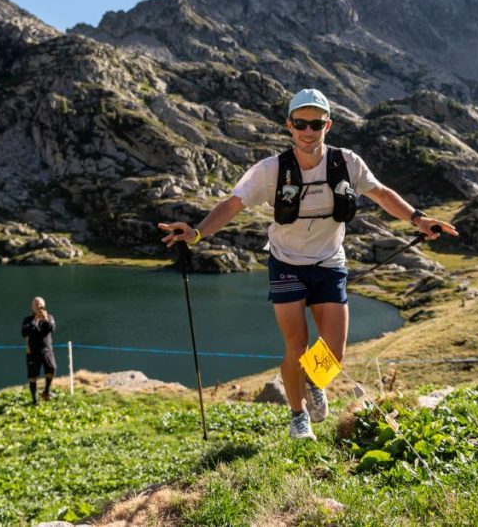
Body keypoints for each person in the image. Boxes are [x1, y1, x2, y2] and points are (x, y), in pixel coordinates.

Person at [159, 88, 457, 440]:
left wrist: (418, 219)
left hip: (329, 262)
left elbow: (381, 193)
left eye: (316, 124)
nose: (308, 131)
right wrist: (196, 233)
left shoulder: (347, 162)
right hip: (286, 263)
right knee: (296, 346)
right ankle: (298, 415)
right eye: (300, 123)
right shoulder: (271, 171)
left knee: (335, 349)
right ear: (289, 125)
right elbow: (233, 205)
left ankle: (316, 380)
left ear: (327, 125)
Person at [21, 296, 57, 405]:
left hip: (46, 350)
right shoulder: (27, 320)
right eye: (36, 305)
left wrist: (45, 320)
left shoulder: (49, 317)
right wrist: (35, 321)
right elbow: (24, 332)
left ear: (44, 306)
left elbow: (52, 329)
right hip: (33, 351)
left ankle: (46, 392)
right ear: (32, 307)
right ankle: (34, 401)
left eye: (40, 305)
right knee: (33, 376)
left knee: (52, 369)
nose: (38, 307)